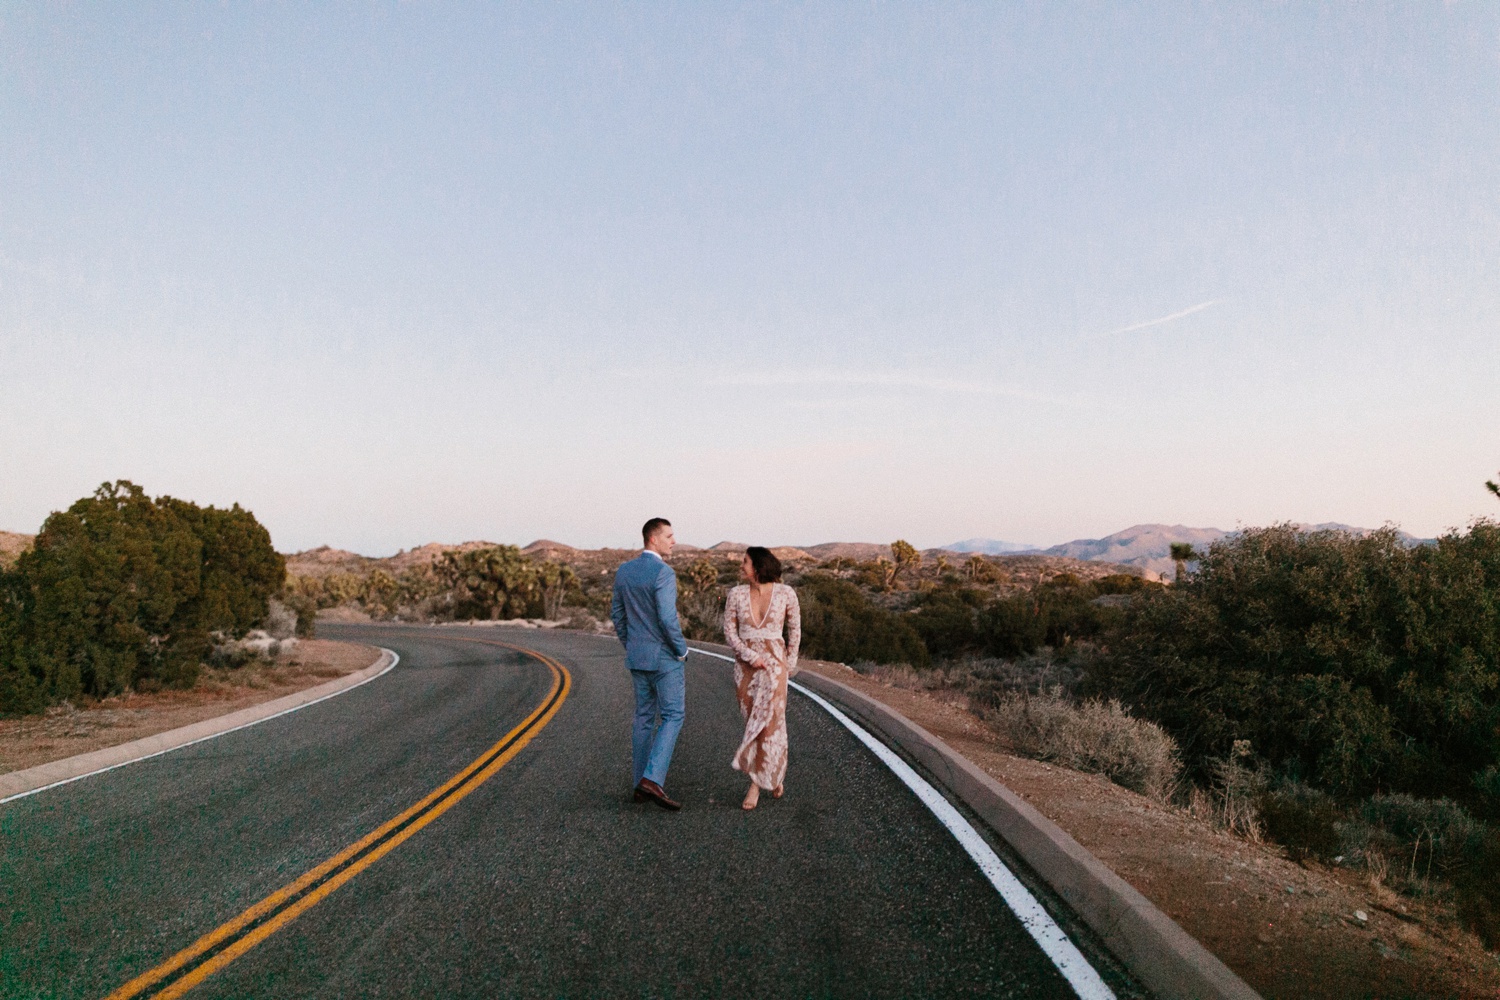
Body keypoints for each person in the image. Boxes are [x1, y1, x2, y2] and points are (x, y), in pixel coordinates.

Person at [611, 517, 690, 810]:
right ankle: (653, 779)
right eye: (669, 536)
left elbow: (617, 615)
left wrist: (631, 645)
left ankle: (639, 783)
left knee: (644, 717)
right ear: (653, 539)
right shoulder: (664, 573)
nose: (674, 541)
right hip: (665, 659)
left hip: (638, 656)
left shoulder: (624, 571)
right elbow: (668, 619)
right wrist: (681, 650)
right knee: (673, 716)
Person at [723, 546, 801, 810]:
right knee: (751, 724)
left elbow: (794, 629)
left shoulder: (786, 593)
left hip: (774, 667)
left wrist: (787, 664)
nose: (740, 565)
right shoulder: (735, 594)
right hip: (745, 668)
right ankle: (774, 775)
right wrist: (747, 654)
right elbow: (729, 632)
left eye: (745, 561)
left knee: (767, 725)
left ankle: (756, 785)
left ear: (757, 566)